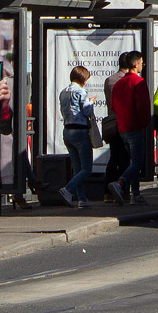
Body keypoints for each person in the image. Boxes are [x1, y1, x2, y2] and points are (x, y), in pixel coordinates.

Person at [109, 50, 151, 205]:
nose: (142, 65)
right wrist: (144, 122)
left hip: (122, 127)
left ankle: (136, 194)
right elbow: (143, 106)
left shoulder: (119, 83)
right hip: (134, 125)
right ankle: (120, 183)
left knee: (133, 160)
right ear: (135, 64)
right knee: (137, 162)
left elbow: (114, 106)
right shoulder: (138, 82)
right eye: (141, 62)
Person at [58, 65, 95, 209]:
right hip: (80, 131)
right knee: (86, 168)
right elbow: (86, 111)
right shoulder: (81, 91)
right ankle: (68, 189)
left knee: (77, 167)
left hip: (67, 130)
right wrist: (91, 102)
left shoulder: (63, 92)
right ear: (83, 78)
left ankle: (82, 199)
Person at [103, 52, 132, 202]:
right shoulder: (126, 81)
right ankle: (123, 191)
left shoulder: (109, 80)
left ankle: (107, 193)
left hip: (112, 122)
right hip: (125, 123)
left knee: (113, 157)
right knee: (126, 158)